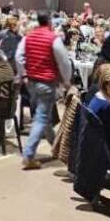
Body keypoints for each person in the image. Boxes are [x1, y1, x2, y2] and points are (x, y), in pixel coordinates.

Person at [16, 12, 73, 170]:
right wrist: (66, 81)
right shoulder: (53, 39)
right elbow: (64, 62)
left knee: (43, 115)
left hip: (31, 83)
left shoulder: (28, 37)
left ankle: (55, 145)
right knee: (41, 117)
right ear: (48, 22)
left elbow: (18, 57)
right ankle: (28, 155)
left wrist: (24, 74)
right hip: (47, 82)